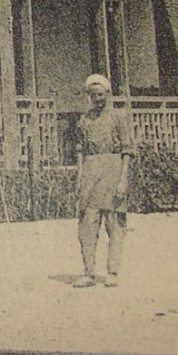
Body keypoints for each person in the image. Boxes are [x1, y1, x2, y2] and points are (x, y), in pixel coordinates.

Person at [74, 73, 133, 288]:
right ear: (88, 96)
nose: (97, 99)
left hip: (112, 169)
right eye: (93, 95)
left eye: (101, 95)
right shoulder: (85, 119)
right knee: (87, 224)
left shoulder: (118, 117)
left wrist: (123, 179)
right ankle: (89, 272)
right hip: (90, 171)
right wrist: (80, 175)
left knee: (114, 222)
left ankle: (113, 271)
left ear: (108, 94)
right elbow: (80, 149)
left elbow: (127, 150)